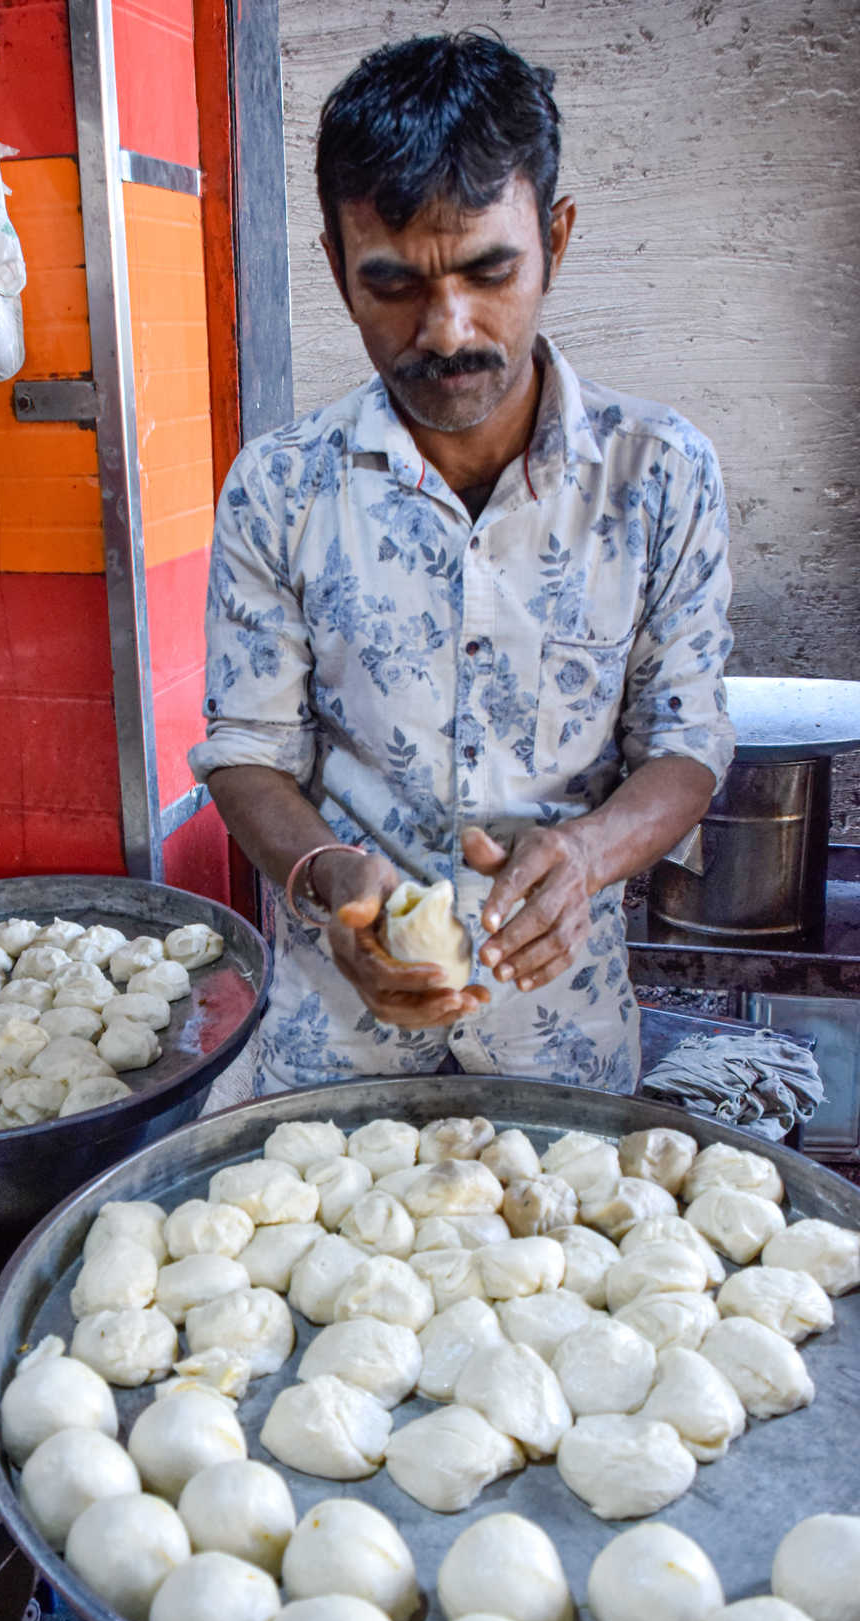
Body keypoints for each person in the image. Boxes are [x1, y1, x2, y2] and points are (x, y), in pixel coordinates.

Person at [189, 32, 734, 1098]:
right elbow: (249, 752)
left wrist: (584, 855)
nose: (447, 332)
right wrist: (330, 878)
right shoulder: (279, 486)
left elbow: (687, 743)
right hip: (333, 1045)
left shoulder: (660, 475)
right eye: (392, 284)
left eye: (491, 272)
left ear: (556, 242)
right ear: (340, 269)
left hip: (561, 1043)